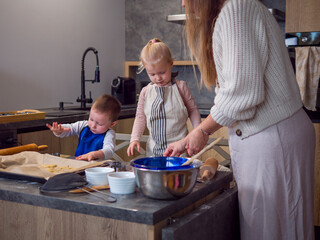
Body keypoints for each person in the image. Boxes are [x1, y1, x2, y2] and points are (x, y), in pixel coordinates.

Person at [164, 0, 315, 239]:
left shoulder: (237, 8)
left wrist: (202, 131)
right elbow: (231, 88)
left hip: (272, 138)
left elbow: (243, 93)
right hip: (272, 135)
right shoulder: (235, 10)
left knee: (271, 231)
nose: (183, 3)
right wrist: (191, 137)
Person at [127, 38, 201, 157]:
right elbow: (140, 117)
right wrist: (135, 138)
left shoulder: (181, 87)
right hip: (153, 152)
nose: (158, 78)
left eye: (162, 72)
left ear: (171, 64)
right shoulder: (145, 92)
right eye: (152, 74)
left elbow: (193, 110)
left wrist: (198, 130)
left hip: (179, 152)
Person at [46, 94, 121, 161]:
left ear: (112, 124)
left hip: (98, 169)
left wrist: (94, 154)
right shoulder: (83, 125)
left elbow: (109, 151)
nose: (93, 125)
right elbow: (69, 129)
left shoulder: (109, 134)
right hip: (79, 165)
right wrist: (60, 130)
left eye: (99, 124)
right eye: (91, 119)